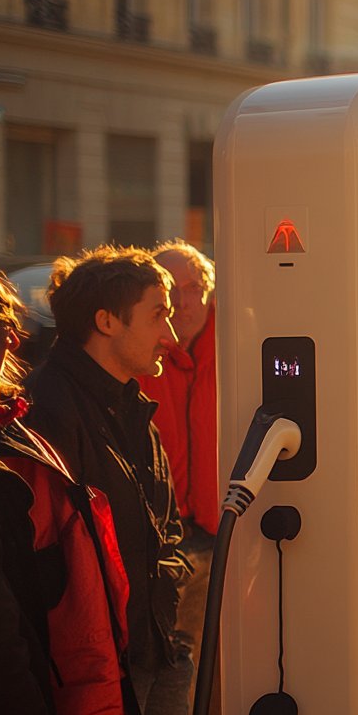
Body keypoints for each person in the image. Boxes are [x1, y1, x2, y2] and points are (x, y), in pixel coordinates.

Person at [26, 246, 189, 715]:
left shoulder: (132, 403)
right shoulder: (47, 410)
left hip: (157, 649)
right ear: (106, 321)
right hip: (101, 672)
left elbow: (163, 524)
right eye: (158, 315)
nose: (172, 334)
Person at [137, 240, 218, 675]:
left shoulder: (239, 346)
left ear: (209, 291)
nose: (182, 302)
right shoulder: (139, 353)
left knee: (211, 671)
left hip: (222, 533)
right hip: (157, 542)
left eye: (192, 288)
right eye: (171, 289)